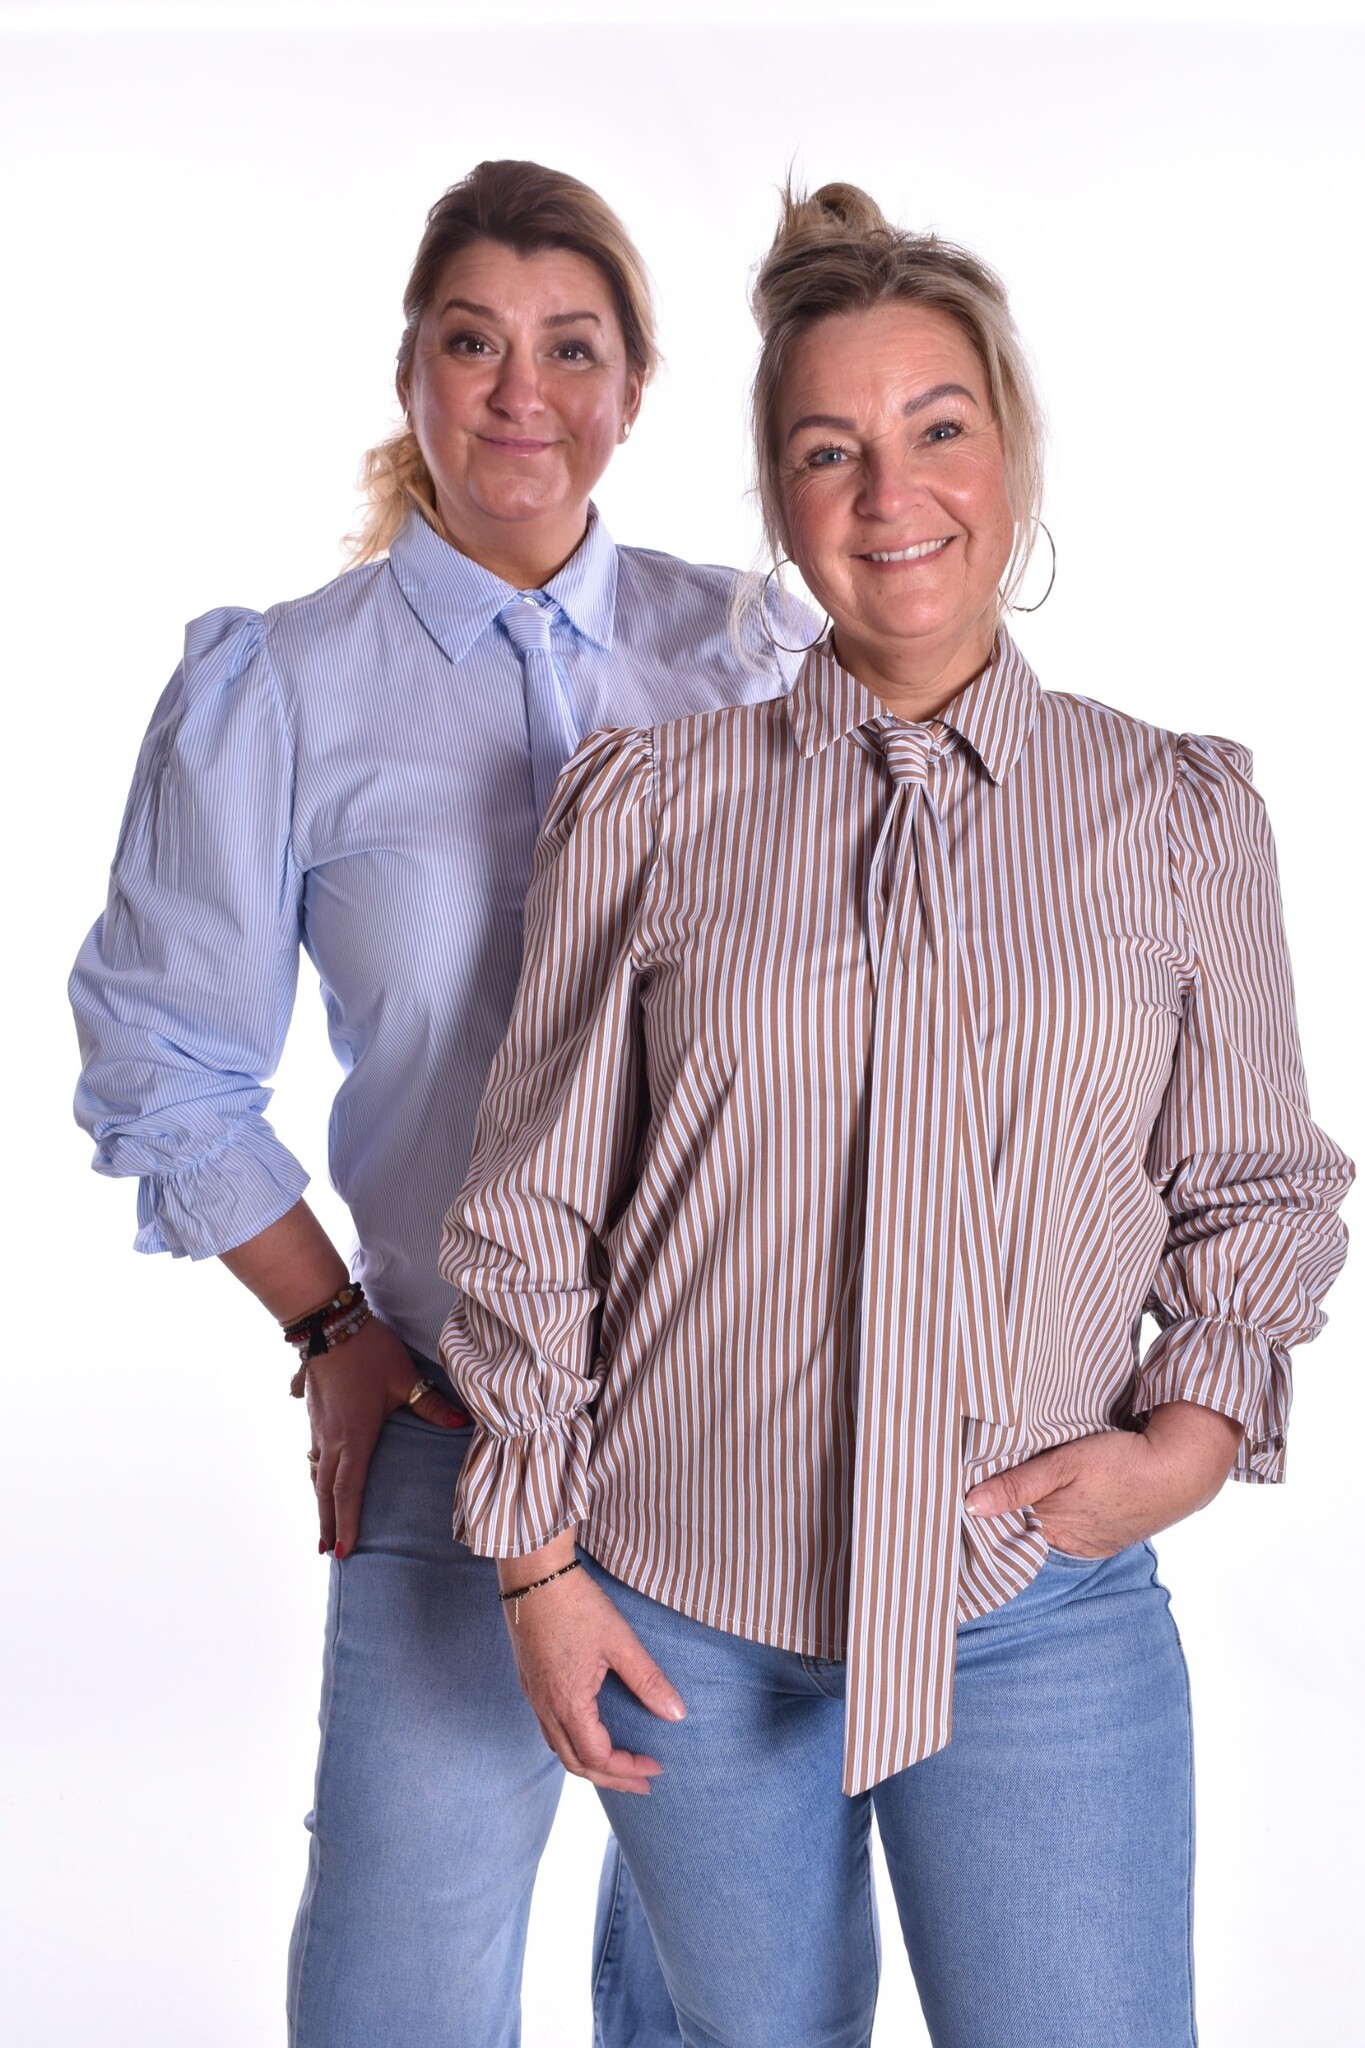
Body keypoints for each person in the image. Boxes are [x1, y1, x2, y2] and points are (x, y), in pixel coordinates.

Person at [437, 181, 1354, 2048]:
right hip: (683, 1611)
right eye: (826, 450)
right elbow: (531, 1214)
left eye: (936, 430)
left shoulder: (1176, 815)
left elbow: (1255, 1184)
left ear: (1008, 454)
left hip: (1032, 1607)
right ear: (779, 500)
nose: (888, 494)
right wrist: (538, 1569)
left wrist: (1190, 1438)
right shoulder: (650, 807)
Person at [69, 159, 804, 2048]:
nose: (519, 393)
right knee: (393, 1996)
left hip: (747, 1428)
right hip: (459, 1424)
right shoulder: (281, 686)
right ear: (408, 373)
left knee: (733, 2002)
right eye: (472, 343)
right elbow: (163, 1055)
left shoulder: (755, 655)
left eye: (571, 348)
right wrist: (330, 1326)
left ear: (635, 386)